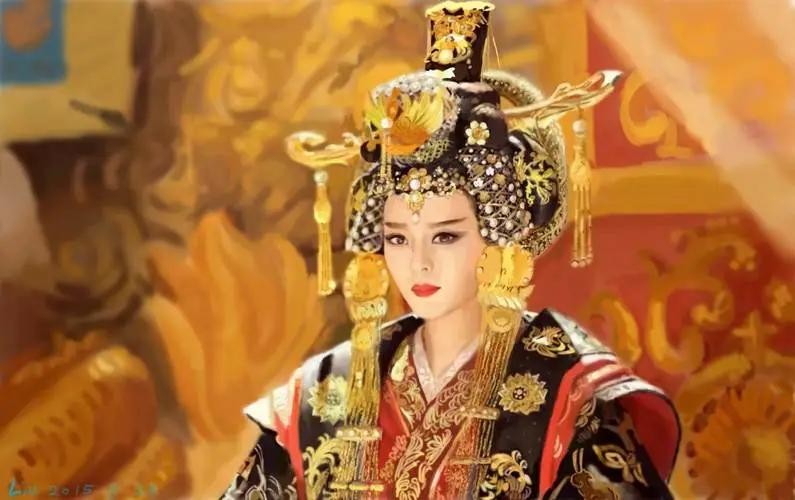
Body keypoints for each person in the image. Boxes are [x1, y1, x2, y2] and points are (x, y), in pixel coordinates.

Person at [221, 1, 680, 499]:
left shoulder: (567, 391)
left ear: (496, 237)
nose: (418, 262)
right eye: (397, 237)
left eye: (446, 235)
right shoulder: (323, 391)